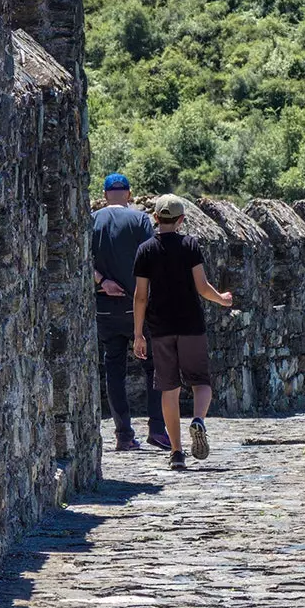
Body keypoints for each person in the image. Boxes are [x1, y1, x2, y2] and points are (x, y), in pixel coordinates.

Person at [132, 194, 233, 471]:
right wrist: (222, 299)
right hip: (190, 325)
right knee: (201, 382)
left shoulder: (145, 250)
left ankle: (176, 452)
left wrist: (138, 334)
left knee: (169, 388)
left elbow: (141, 296)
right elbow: (201, 287)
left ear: (155, 219)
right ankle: (198, 420)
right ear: (181, 220)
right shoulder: (190, 245)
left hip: (160, 328)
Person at [91, 173, 165, 452]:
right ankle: (157, 428)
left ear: (105, 194)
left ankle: (123, 434)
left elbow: (79, 259)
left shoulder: (92, 220)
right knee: (154, 366)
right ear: (129, 194)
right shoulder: (140, 220)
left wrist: (102, 282)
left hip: (105, 307)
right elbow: (151, 258)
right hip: (139, 305)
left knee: (114, 368)